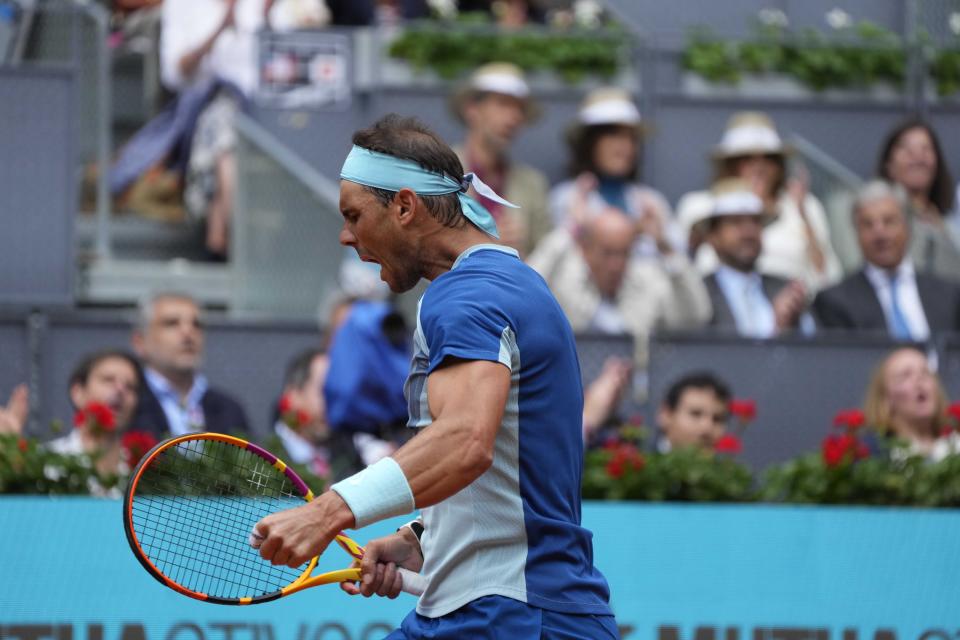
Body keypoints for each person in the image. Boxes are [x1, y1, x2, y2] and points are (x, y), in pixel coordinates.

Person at [251, 114, 618, 638]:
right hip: (516, 610)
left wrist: (326, 513)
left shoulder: (464, 295)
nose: (345, 236)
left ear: (404, 206)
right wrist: (421, 539)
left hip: (509, 616)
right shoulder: (512, 282)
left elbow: (466, 442)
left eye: (354, 215)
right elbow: (513, 464)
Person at [528, 207, 710, 372]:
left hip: (637, 395)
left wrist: (667, 250)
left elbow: (696, 316)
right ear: (584, 249)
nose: (616, 264)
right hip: (571, 390)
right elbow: (522, 291)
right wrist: (567, 231)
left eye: (624, 253)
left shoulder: (646, 281)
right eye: (607, 253)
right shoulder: (564, 280)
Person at [676, 111, 842, 292]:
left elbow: (828, 277)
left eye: (769, 158)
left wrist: (804, 216)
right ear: (729, 164)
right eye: (746, 158)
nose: (759, 167)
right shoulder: (698, 207)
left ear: (779, 165)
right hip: (719, 314)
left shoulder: (805, 205)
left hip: (792, 311)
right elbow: (681, 275)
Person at [812, 180, 960, 340]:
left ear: (907, 228)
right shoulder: (835, 302)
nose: (880, 234)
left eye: (889, 221)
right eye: (868, 225)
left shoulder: (950, 296)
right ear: (856, 233)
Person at [549, 87, 679, 259]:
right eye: (613, 135)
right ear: (589, 143)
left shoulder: (652, 203)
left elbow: (681, 271)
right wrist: (575, 228)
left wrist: (660, 240)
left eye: (631, 138)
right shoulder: (565, 198)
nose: (625, 147)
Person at [449, 62, 551, 257]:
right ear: (472, 109)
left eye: (519, 109)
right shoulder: (439, 173)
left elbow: (546, 261)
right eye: (503, 104)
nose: (514, 117)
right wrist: (484, 244)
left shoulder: (533, 184)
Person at [129, 292, 250, 439]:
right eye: (171, 323)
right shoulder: (126, 405)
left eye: (197, 325)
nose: (188, 332)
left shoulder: (229, 409)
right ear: (140, 342)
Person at [701, 178, 810, 338]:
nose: (748, 232)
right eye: (736, 222)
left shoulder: (784, 288)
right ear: (713, 237)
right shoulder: (699, 293)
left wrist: (789, 326)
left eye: (755, 222)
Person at [876, 117, 960, 279]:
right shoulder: (874, 221)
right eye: (907, 150)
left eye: (926, 149)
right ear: (888, 165)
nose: (918, 158)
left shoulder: (949, 223)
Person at [47, 349, 145, 480]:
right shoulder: (47, 463)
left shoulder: (145, 474)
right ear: (78, 393)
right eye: (108, 380)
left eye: (130, 386)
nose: (121, 390)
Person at [863, 347, 958, 462]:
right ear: (885, 398)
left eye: (925, 373)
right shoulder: (872, 454)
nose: (919, 380)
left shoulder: (955, 444)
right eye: (904, 376)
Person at [655, 372, 731, 452]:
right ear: (666, 414)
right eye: (695, 414)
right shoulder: (645, 462)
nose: (707, 428)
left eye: (717, 419)